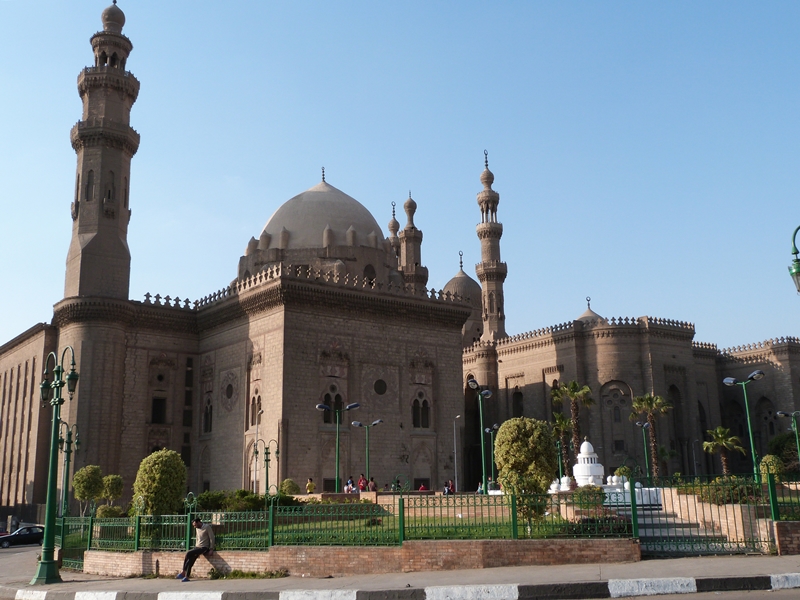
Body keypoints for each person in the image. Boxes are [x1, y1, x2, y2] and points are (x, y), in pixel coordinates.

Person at [176, 518, 215, 582]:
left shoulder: (207, 527)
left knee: (188, 554)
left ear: (199, 522)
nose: (194, 526)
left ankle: (183, 571)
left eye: (195, 525)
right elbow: (197, 538)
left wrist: (211, 548)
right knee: (191, 560)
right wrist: (195, 548)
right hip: (197, 547)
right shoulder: (197, 528)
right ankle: (187, 577)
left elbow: (212, 538)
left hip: (204, 547)